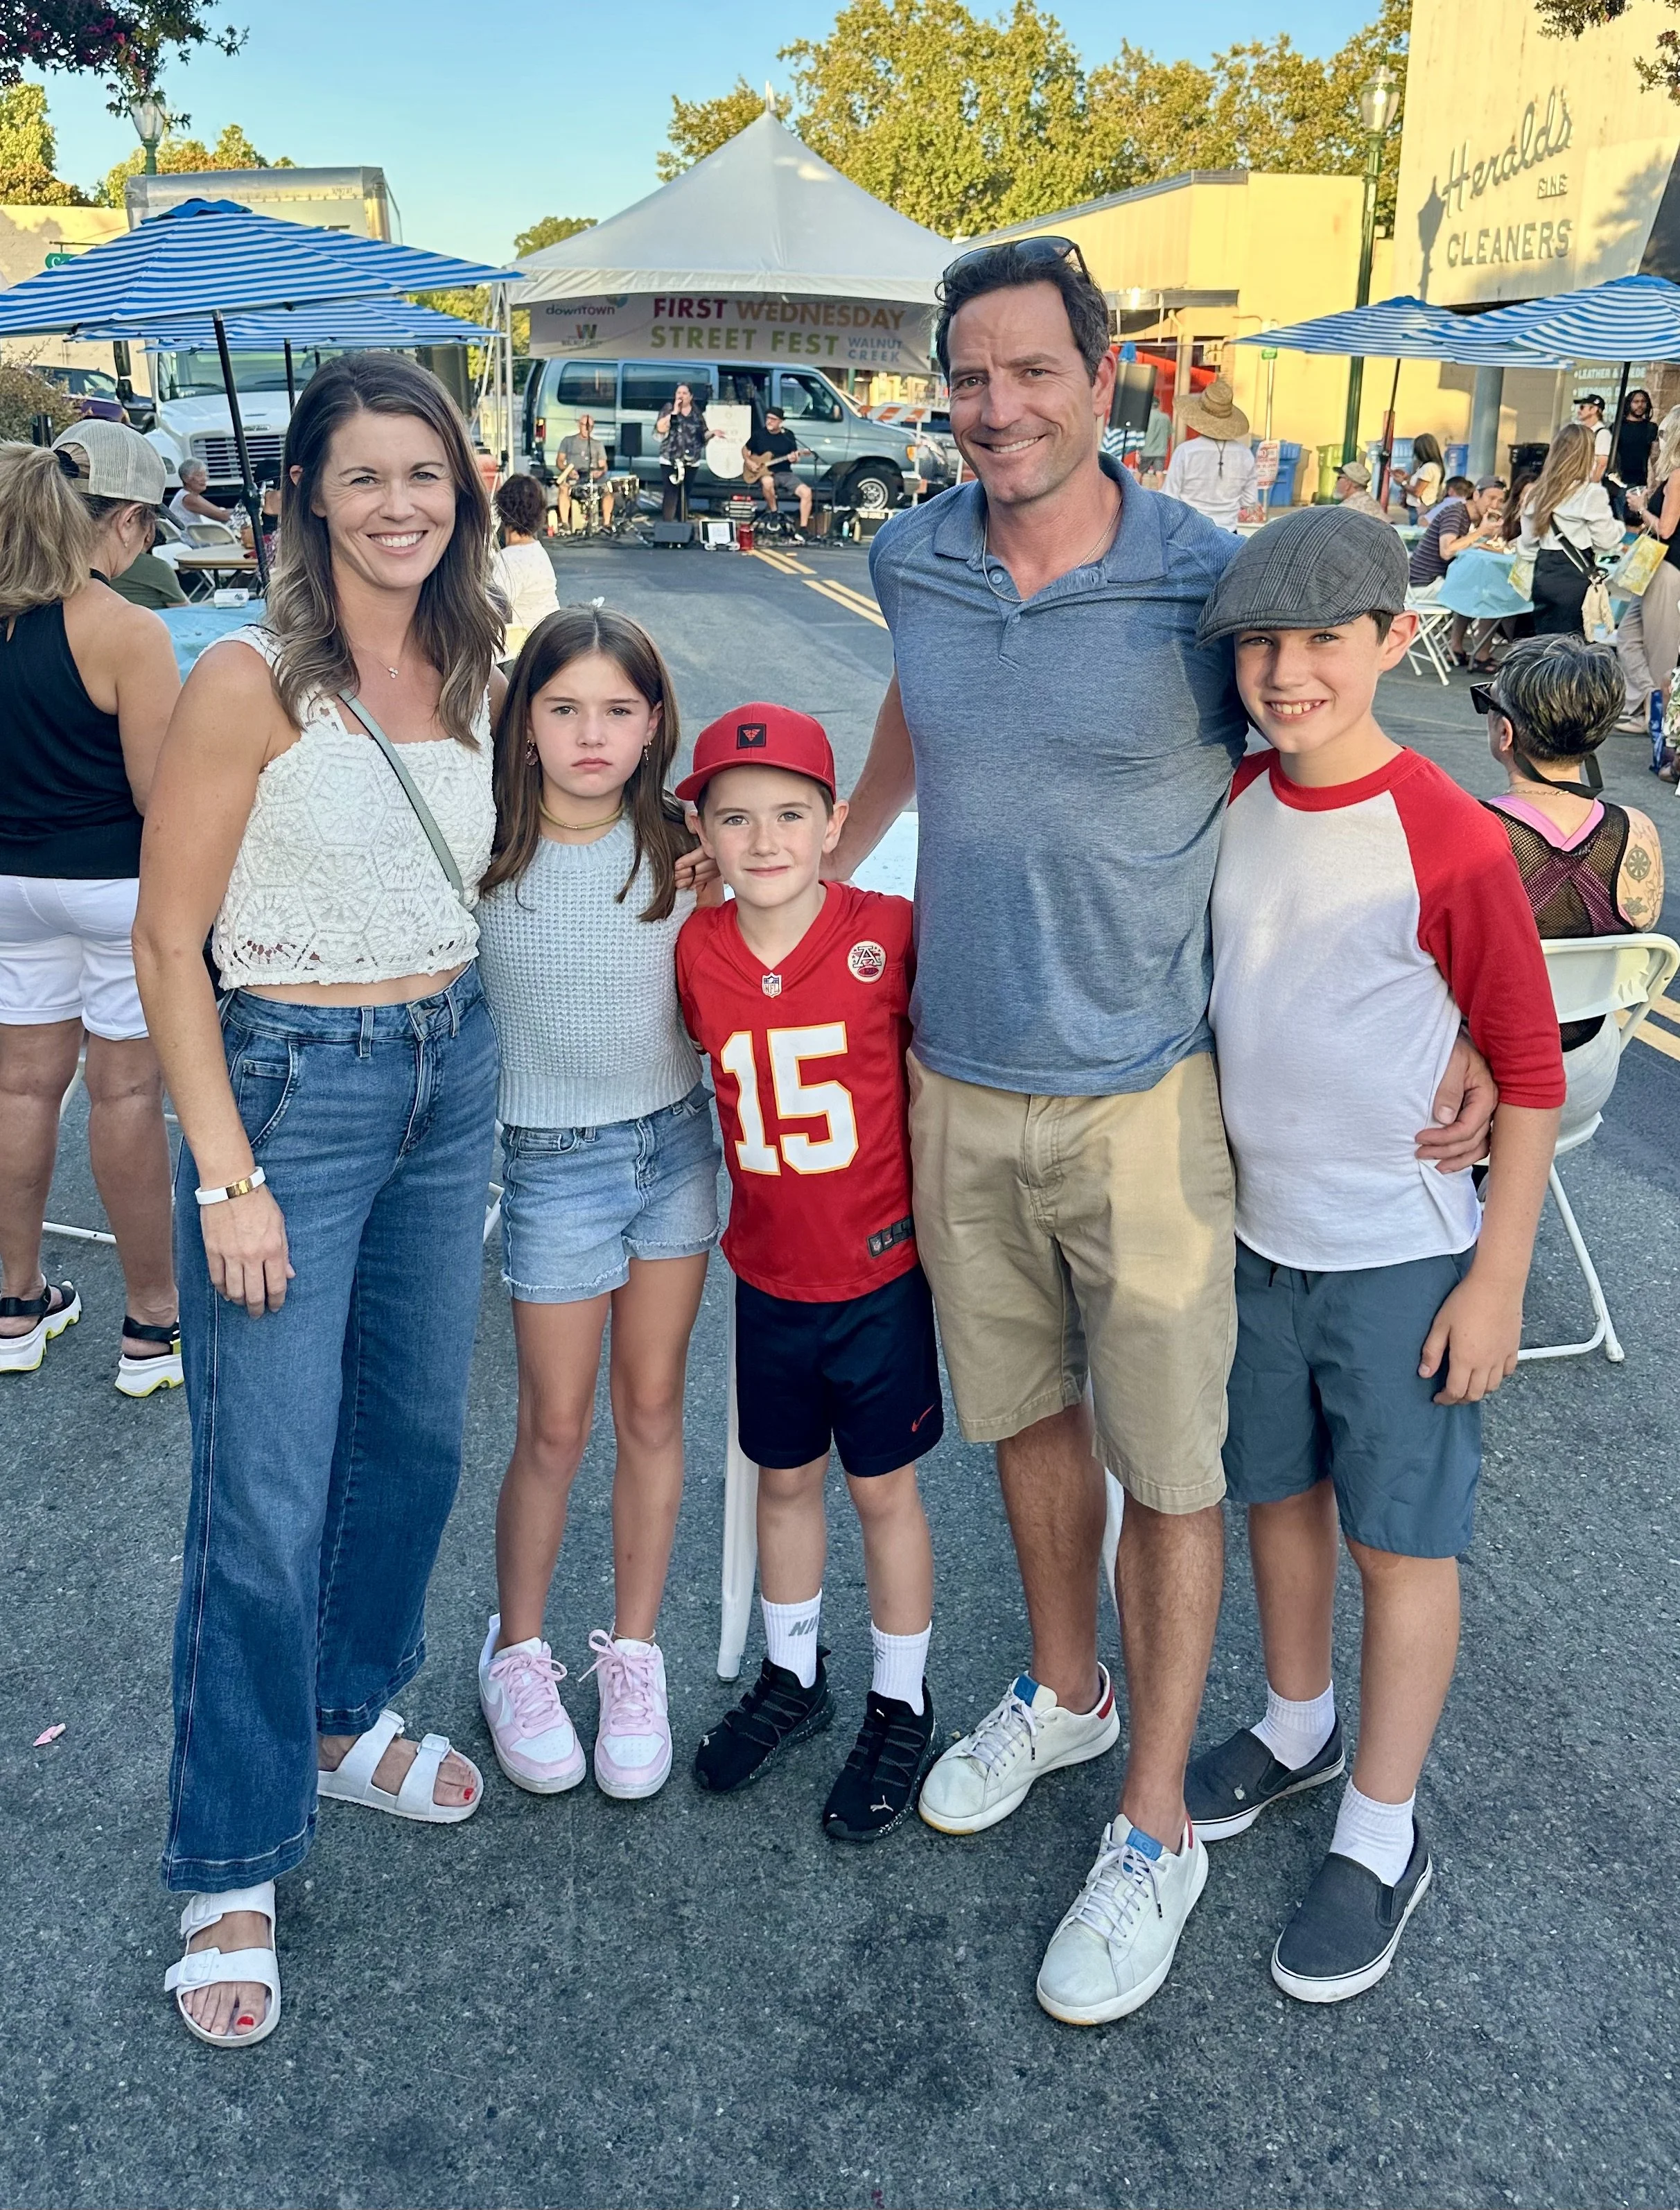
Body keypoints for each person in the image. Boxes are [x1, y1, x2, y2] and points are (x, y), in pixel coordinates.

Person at [831, 236, 1494, 2024]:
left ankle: (1154, 1829)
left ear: (1101, 377)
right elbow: (919, 695)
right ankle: (1068, 1689)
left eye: (1031, 370)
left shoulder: (1207, 589)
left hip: (1145, 1101)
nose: (998, 406)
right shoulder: (910, 555)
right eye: (969, 375)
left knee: (1176, 1469)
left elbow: (1353, 783)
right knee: (1026, 1427)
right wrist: (831, 860)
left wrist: (1498, 1031)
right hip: (955, 1078)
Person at [132, 353, 504, 2050]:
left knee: (415, 1433)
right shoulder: (245, 676)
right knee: (264, 1489)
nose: (400, 503)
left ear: (464, 487)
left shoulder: (473, 659)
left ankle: (346, 1714)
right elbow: (166, 943)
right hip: (292, 1089)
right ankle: (229, 1851)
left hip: (452, 1067)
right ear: (303, 496)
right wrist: (224, 1171)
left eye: (425, 472)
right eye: (363, 476)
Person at [1187, 505, 1564, 2003]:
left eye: (1323, 642)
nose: (1287, 675)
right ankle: (1296, 1723)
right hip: (1256, 1242)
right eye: (1261, 647)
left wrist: (1498, 1274)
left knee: (1401, 1544)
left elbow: (1527, 1066)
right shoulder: (1231, 799)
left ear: (1393, 641)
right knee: (1275, 1497)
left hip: (1404, 1256)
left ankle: (1384, 1825)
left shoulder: (1448, 832)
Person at [676, 704, 943, 1843]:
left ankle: (901, 1694)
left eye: (789, 812)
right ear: (701, 830)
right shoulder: (696, 947)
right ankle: (795, 1672)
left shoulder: (889, 927)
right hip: (771, 1279)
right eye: (734, 817)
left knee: (884, 1493)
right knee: (782, 1484)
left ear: (836, 823)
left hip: (877, 1276)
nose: (764, 837)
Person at [473, 608, 719, 1803]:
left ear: (652, 723)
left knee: (653, 1404)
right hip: (551, 1164)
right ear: (523, 722)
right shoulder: (481, 850)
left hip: (675, 1150)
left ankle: (633, 1651)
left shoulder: (682, 846)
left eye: (617, 709)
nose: (590, 731)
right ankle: (516, 1645)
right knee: (555, 1423)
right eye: (563, 706)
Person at [0, 425, 182, 1394]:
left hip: (8, 885)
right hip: (112, 886)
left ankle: (15, 1302)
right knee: (122, 1097)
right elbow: (160, 796)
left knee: (21, 1090)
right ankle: (152, 1322)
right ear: (119, 521)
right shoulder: (126, 630)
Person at [1480, 634, 1664, 1139]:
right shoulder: (1638, 831)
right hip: (1586, 1080)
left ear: (1506, 734)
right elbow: (1635, 928)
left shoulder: (1471, 832)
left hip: (1485, 1085)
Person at [1518, 422, 1623, 636]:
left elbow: (1527, 542)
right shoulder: (1591, 493)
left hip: (1544, 571)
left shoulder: (1537, 492)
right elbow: (1607, 542)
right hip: (1574, 575)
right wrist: (1620, 528)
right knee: (1571, 646)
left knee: (1544, 642)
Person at [1625, 403, 1680, 712]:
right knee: (1628, 636)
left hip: (1668, 568)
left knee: (1661, 650)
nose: (1657, 441)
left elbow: (1666, 528)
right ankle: (1648, 701)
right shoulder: (1671, 475)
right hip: (1661, 568)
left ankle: (1659, 719)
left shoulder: (1678, 475)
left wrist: (1640, 509)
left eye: (1662, 435)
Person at [1161, 377, 1259, 530]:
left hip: (1190, 530)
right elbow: (1250, 500)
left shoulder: (1186, 452)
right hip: (1228, 533)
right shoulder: (1245, 455)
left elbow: (1169, 496)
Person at [490, 473, 560, 654]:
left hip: (523, 648)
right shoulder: (538, 551)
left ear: (501, 510)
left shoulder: (509, 561)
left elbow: (493, 612)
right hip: (549, 640)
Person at [744, 405, 814, 534]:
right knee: (767, 482)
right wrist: (749, 462)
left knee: (807, 492)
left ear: (780, 422)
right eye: (768, 418)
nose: (769, 421)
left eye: (773, 419)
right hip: (765, 473)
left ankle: (803, 528)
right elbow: (745, 449)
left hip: (785, 473)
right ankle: (774, 512)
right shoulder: (759, 435)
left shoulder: (788, 436)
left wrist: (795, 458)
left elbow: (795, 458)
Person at [654, 383, 718, 522]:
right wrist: (674, 412)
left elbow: (703, 434)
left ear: (691, 396)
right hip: (670, 459)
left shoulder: (696, 413)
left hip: (691, 460)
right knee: (671, 493)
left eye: (684, 393)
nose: (681, 396)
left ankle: (682, 525)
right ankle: (668, 527)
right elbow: (660, 428)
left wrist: (712, 434)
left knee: (685, 493)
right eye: (679, 393)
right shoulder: (668, 409)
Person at [104, 508, 189, 611]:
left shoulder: (100, 564)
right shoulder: (157, 567)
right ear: (148, 534)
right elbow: (183, 609)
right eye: (153, 524)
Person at [554, 413, 613, 534]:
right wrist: (568, 470)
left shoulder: (597, 444)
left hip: (592, 475)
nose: (587, 429)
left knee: (609, 489)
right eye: (585, 425)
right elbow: (560, 461)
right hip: (575, 474)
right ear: (579, 425)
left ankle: (607, 523)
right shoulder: (568, 441)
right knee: (564, 489)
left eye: (590, 426)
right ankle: (565, 524)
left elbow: (604, 465)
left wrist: (600, 472)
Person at [1609, 387, 1656, 516]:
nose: (1640, 405)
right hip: (1619, 480)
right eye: (1636, 402)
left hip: (1640, 481)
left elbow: (1654, 455)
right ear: (1629, 404)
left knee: (1635, 518)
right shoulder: (1617, 427)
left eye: (1643, 401)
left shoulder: (1651, 428)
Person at [169, 459, 234, 527]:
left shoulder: (188, 494)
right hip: (188, 537)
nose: (205, 479)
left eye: (205, 475)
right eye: (199, 475)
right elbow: (223, 516)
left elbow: (219, 511)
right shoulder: (188, 498)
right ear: (186, 478)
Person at [1396, 432, 1444, 523]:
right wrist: (1407, 477)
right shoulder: (1432, 466)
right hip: (1423, 507)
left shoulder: (1428, 467)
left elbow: (1417, 492)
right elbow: (1421, 482)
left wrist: (1402, 483)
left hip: (1420, 508)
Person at [1333, 457, 1390, 521]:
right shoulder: (1372, 504)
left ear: (1348, 483)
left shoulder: (1345, 510)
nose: (1336, 482)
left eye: (1339, 478)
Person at [1575, 392, 1611, 482]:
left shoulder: (1602, 434)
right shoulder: (1581, 431)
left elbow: (1602, 463)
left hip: (1588, 485)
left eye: (1582, 407)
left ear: (1594, 409)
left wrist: (1593, 485)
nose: (1579, 411)